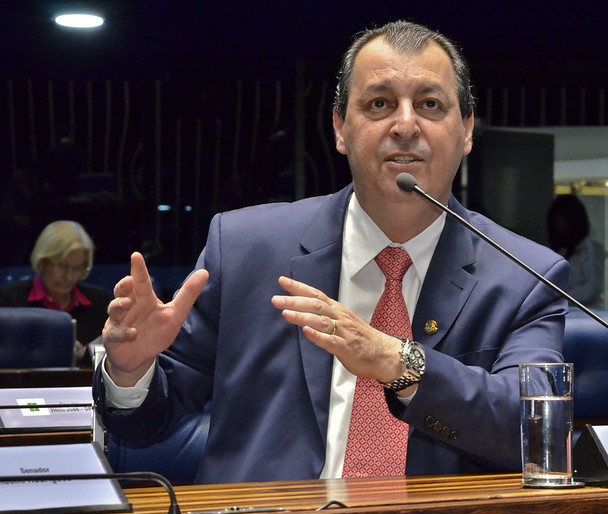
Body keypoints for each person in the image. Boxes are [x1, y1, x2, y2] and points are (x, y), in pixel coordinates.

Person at [95, 20, 569, 484]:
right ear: (341, 128)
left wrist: (397, 361)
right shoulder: (244, 249)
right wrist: (130, 368)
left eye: (429, 104)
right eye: (379, 103)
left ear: (466, 131)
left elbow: (536, 431)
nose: (405, 125)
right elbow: (144, 424)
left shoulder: (526, 277)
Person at [0, 220, 111, 365]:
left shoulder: (98, 300)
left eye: (77, 268)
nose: (69, 276)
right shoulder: (11, 298)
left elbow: (112, 354)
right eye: (62, 267)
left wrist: (85, 354)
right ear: (43, 261)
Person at [546, 194, 605, 309]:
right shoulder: (552, 249)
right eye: (557, 219)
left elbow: (592, 287)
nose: (561, 224)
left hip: (586, 313)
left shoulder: (590, 249)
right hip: (557, 311)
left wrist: (562, 297)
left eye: (565, 219)